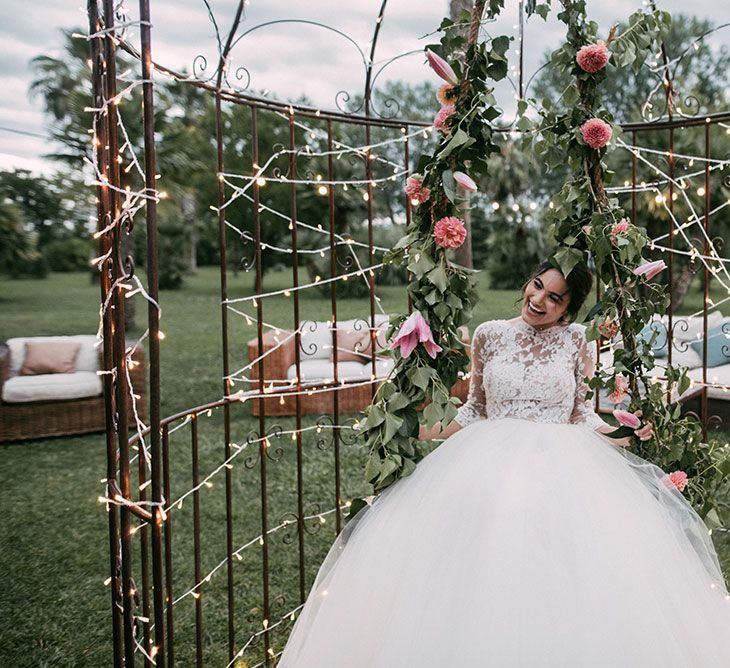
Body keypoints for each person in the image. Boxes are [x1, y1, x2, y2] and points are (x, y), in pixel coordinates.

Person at [277, 259, 730, 667]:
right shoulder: (489, 334)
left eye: (555, 298)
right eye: (537, 286)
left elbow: (581, 412)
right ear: (527, 282)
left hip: (565, 466)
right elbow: (475, 408)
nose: (539, 300)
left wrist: (625, 437)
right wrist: (418, 430)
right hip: (485, 460)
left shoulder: (575, 339)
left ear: (568, 309)